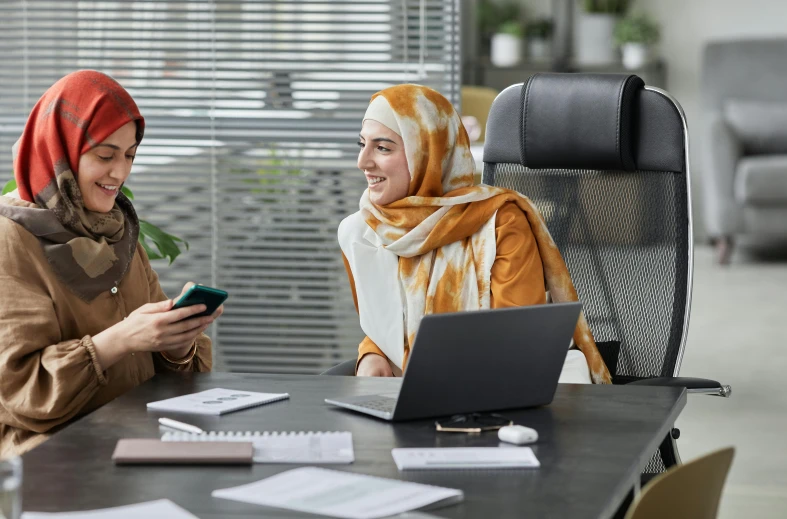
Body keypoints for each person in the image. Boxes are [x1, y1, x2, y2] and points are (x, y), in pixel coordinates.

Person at [0, 70, 221, 457]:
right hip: (56, 460)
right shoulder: (12, 241)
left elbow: (162, 371)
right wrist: (119, 340)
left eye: (130, 155)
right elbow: (20, 389)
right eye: (105, 155)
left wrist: (177, 343)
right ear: (61, 150)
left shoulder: (116, 231)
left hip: (136, 441)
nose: (120, 173)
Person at [338, 84, 611, 384]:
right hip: (402, 397)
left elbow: (519, 342)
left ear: (427, 153)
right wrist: (372, 352)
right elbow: (386, 321)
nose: (362, 162)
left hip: (494, 396)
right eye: (361, 144)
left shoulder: (500, 223)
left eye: (383, 147)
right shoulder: (360, 232)